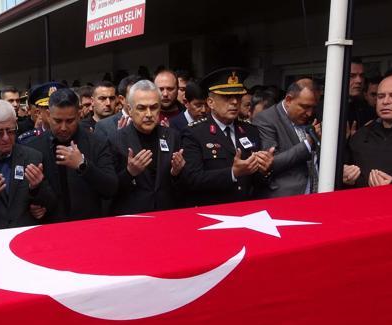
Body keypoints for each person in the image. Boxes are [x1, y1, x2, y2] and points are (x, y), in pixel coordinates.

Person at [181, 67, 273, 206]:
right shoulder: (194, 133)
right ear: (210, 102)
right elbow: (192, 179)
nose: (235, 102)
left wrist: (264, 170)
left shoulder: (250, 130)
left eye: (237, 97)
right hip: (212, 210)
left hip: (245, 208)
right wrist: (232, 173)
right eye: (227, 97)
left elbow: (256, 182)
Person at [25, 88, 117, 222]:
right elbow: (23, 197)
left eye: (69, 121)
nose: (63, 127)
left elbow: (111, 188)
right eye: (57, 121)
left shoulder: (97, 143)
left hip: (88, 226)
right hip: (50, 229)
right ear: (48, 115)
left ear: (79, 115)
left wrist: (83, 166)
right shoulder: (34, 147)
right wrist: (34, 198)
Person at [0, 100, 57, 230]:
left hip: (25, 236)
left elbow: (51, 203)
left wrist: (36, 188)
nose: (6, 138)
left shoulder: (33, 157)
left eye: (11, 131)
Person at [109, 80, 186, 215]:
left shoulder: (173, 136)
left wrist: (176, 173)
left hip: (167, 214)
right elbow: (109, 188)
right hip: (133, 218)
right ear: (130, 110)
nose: (149, 114)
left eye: (154, 107)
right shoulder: (116, 140)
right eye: (142, 108)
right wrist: (129, 173)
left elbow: (185, 185)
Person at [254, 78, 321, 198]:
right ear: (289, 100)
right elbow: (270, 162)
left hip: (316, 193)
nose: (310, 113)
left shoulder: (314, 119)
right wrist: (307, 144)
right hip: (285, 197)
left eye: (313, 107)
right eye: (305, 107)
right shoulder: (266, 119)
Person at [93, 75, 141, 142]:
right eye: (135, 96)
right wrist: (119, 138)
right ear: (122, 99)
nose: (142, 100)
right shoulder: (104, 126)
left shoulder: (151, 120)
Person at [346, 58, 377, 128]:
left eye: (362, 76)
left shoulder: (368, 111)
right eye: (352, 76)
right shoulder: (326, 109)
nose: (359, 80)